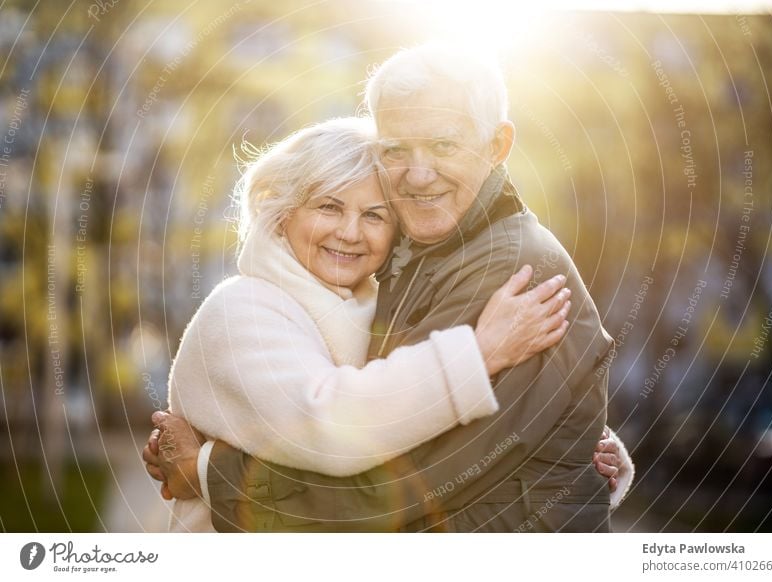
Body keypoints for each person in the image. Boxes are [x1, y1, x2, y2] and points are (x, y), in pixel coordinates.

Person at [145, 44, 635, 532]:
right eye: (329, 207)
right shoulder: (242, 310)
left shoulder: (494, 279)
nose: (351, 232)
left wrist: (573, 440)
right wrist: (478, 354)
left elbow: (405, 465)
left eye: (374, 215)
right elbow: (338, 426)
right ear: (282, 208)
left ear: (497, 145)